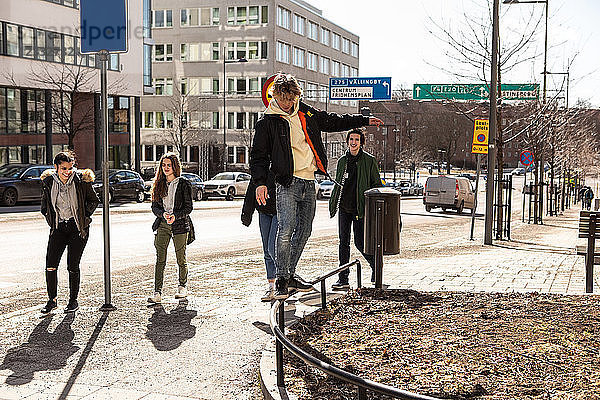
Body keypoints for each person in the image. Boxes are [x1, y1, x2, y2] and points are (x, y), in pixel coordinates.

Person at [250, 73, 383, 299]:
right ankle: (282, 279)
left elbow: (332, 121)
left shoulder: (305, 112)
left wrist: (362, 120)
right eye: (285, 100)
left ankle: (290, 274)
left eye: (293, 99)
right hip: (287, 182)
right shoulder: (267, 122)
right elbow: (258, 156)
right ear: (276, 97)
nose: (289, 104)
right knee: (286, 230)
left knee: (305, 230)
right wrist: (260, 183)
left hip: (309, 181)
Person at [40, 151, 99, 314]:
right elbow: (45, 206)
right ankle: (52, 300)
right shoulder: (49, 182)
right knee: (50, 266)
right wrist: (51, 221)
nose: (67, 172)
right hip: (58, 228)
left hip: (77, 229)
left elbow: (94, 200)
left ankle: (73, 301)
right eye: (63, 168)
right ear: (56, 167)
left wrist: (84, 217)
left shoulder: (81, 181)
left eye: (70, 168)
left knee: (72, 265)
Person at [329, 129, 382, 290]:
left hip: (360, 208)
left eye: (357, 140)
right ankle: (343, 278)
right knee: (343, 243)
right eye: (351, 139)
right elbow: (338, 184)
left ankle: (376, 267)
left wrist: (374, 205)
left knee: (360, 242)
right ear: (347, 142)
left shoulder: (368, 161)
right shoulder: (342, 161)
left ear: (361, 143)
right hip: (344, 208)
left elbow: (376, 184)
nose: (353, 142)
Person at [148, 152, 195, 304]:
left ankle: (182, 286)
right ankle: (157, 292)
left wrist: (175, 215)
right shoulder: (158, 183)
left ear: (175, 166)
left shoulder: (183, 184)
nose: (166, 168)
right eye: (163, 165)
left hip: (180, 225)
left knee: (181, 258)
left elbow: (189, 208)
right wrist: (162, 215)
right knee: (160, 259)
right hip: (163, 225)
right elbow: (154, 207)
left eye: (169, 165)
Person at [241, 171, 277, 302]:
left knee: (273, 248)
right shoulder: (260, 170)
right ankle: (271, 286)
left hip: (280, 211)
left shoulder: (280, 163)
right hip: (264, 211)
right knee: (267, 251)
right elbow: (251, 190)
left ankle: (285, 277)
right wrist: (247, 213)